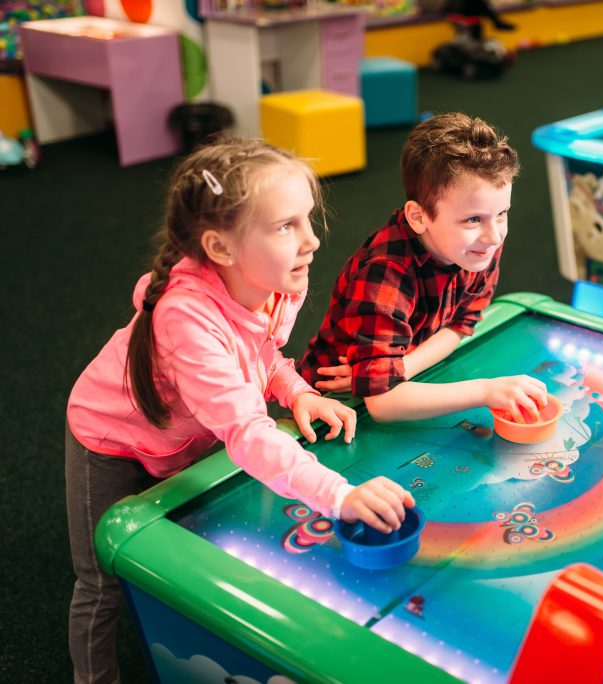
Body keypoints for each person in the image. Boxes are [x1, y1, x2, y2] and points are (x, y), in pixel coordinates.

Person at [65, 139, 413, 684]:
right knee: (102, 579)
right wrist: (339, 495)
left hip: (188, 433)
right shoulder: (185, 319)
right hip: (111, 441)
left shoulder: (272, 279)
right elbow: (247, 432)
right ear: (220, 248)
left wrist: (298, 393)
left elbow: (260, 352)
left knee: (182, 550)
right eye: (286, 226)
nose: (312, 239)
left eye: (307, 219)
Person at [297, 112, 547, 423]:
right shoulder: (383, 273)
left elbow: (461, 323)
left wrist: (398, 369)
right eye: (473, 219)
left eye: (502, 213)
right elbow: (382, 403)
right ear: (418, 217)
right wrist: (485, 391)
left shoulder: (478, 246)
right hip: (327, 406)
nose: (494, 236)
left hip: (399, 379)